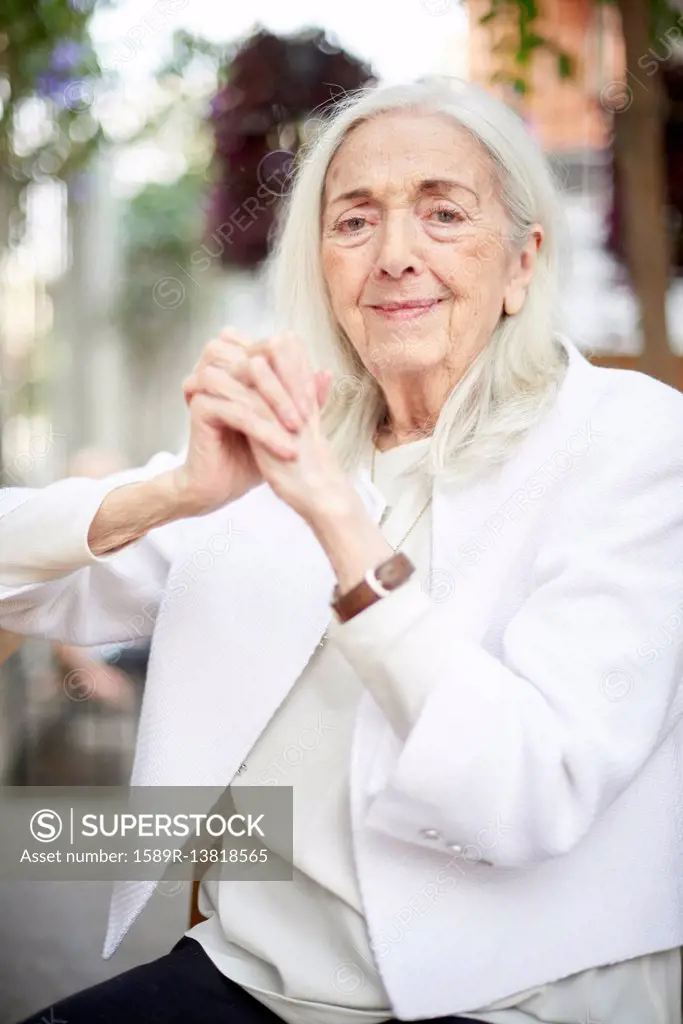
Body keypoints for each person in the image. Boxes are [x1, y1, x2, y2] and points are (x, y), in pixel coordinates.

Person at [1, 76, 682, 1024]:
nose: (394, 256)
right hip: (255, 979)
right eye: (354, 222)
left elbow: (532, 792)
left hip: (518, 999)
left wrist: (342, 530)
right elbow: (16, 585)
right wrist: (175, 493)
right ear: (322, 263)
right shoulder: (296, 445)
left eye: (442, 213)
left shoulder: (632, 441)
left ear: (521, 263)